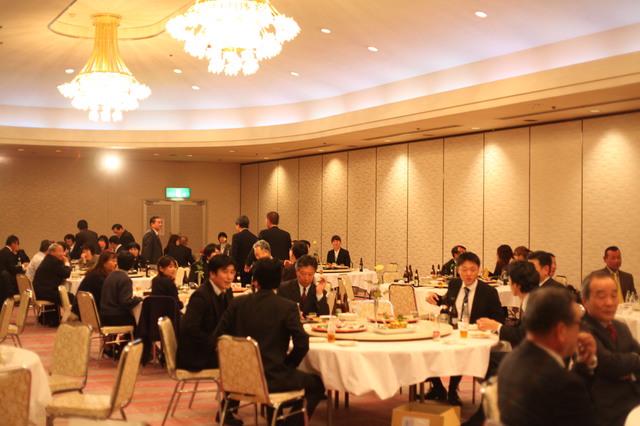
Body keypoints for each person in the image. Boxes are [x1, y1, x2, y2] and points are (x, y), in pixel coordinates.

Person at [214, 258, 325, 426]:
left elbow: (219, 337)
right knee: (317, 385)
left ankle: (273, 415)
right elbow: (302, 343)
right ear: (279, 281)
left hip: (238, 377)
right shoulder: (287, 307)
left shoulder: (237, 303)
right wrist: (288, 366)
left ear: (255, 281)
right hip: (272, 379)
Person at [497, 287, 597, 426]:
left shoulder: (509, 361)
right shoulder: (564, 384)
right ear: (561, 331)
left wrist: (583, 364)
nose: (580, 330)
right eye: (578, 323)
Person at [425, 251, 504, 405]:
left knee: (460, 352)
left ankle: (452, 390)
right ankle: (438, 387)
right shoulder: (454, 284)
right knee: (427, 347)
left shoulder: (488, 292)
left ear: (479, 270)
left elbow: (499, 319)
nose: (468, 274)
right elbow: (448, 300)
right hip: (452, 330)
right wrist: (436, 298)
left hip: (474, 335)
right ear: (458, 270)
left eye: (473, 270)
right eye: (464, 269)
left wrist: (486, 324)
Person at [177, 254, 241, 425]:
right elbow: (190, 330)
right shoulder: (201, 296)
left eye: (232, 272)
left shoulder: (226, 292)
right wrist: (216, 345)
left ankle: (230, 407)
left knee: (247, 356)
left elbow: (230, 321)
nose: (229, 277)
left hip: (213, 347)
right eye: (225, 272)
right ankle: (227, 412)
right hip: (196, 353)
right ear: (212, 274)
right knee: (240, 362)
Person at [581, 271, 640, 426]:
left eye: (614, 296)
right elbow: (609, 364)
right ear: (585, 301)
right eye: (601, 296)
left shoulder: (620, 326)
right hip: (606, 408)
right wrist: (633, 360)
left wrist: (629, 368)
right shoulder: (582, 329)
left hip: (633, 398)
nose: (609, 302)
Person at [33, 243, 72, 325]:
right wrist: (66, 262)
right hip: (46, 293)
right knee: (71, 297)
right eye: (60, 251)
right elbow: (66, 273)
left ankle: (53, 318)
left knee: (66, 294)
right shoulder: (54, 261)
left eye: (63, 251)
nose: (63, 254)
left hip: (39, 291)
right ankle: (78, 318)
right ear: (52, 252)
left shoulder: (48, 259)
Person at [100, 252, 142, 327]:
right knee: (141, 321)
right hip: (115, 317)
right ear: (132, 265)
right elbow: (126, 303)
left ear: (117, 262)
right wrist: (138, 299)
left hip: (104, 314)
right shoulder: (125, 279)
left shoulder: (110, 275)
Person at [72, 250, 117, 317]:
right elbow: (107, 298)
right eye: (113, 261)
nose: (116, 264)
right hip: (89, 312)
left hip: (84, 309)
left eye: (116, 261)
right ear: (104, 263)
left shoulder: (97, 273)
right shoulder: (98, 277)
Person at [231, 215, 258, 285]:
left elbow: (233, 255)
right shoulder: (255, 237)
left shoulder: (236, 237)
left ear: (238, 225)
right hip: (251, 269)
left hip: (239, 270)